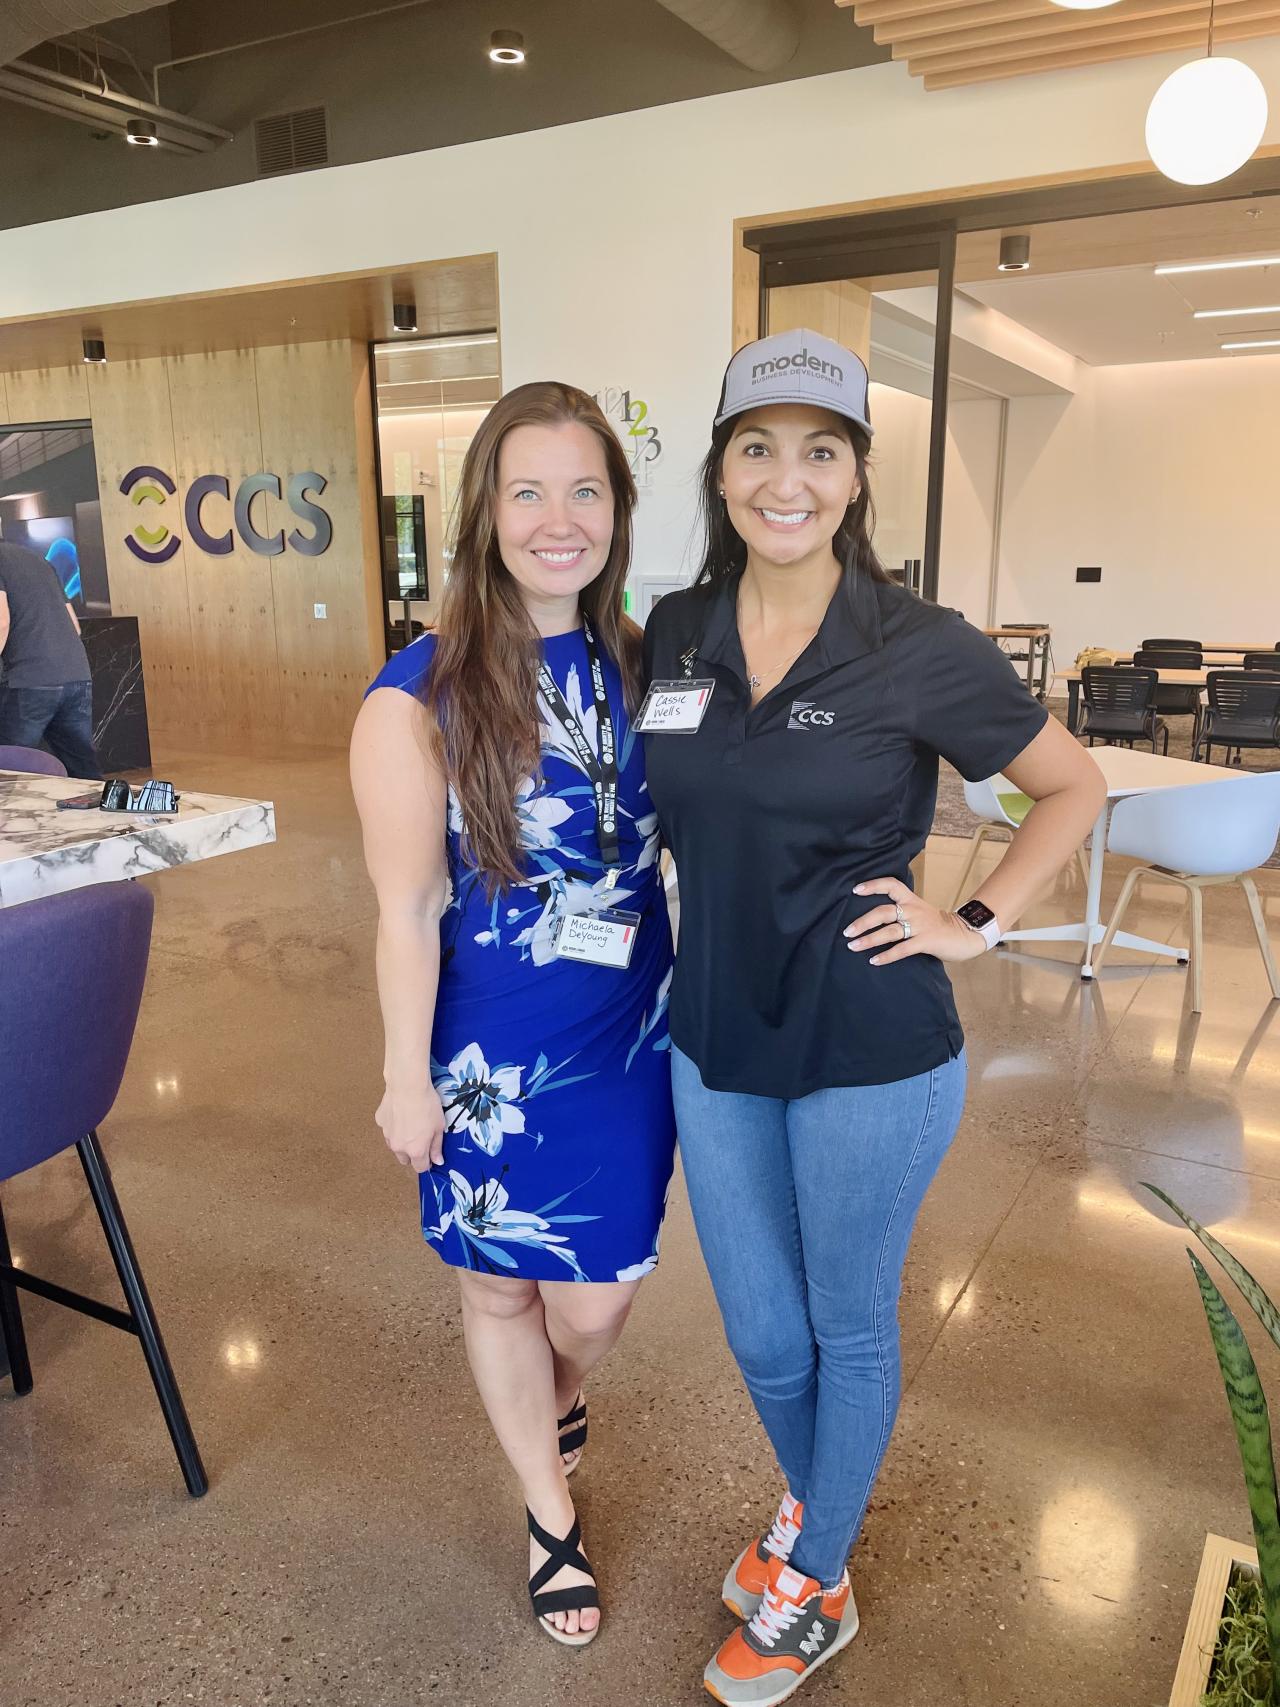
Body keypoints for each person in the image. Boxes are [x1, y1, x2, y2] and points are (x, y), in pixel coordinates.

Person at [641, 329, 1105, 1706]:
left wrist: (977, 919)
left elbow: (1071, 789)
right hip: (715, 1025)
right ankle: (817, 1514)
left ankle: (813, 1579)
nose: (788, 478)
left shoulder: (922, 646)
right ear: (723, 468)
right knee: (761, 1334)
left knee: (844, 1324)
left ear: (855, 477)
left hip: (866, 1038)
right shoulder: (678, 627)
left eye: (820, 450)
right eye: (759, 446)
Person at [350, 382, 676, 1649]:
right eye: (526, 489)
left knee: (593, 1302)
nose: (557, 518)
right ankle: (548, 1511)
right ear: (482, 510)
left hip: (627, 1036)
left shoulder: (650, 667)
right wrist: (401, 1077)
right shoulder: (416, 698)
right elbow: (405, 906)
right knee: (498, 1293)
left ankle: (560, 1392)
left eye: (584, 490)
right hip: (485, 1045)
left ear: (617, 510)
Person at [0, 537, 101, 778]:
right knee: (84, 769)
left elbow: (1, 622)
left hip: (29, 680)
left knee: (9, 769)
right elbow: (74, 626)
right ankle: (106, 813)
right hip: (76, 677)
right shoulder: (39, 561)